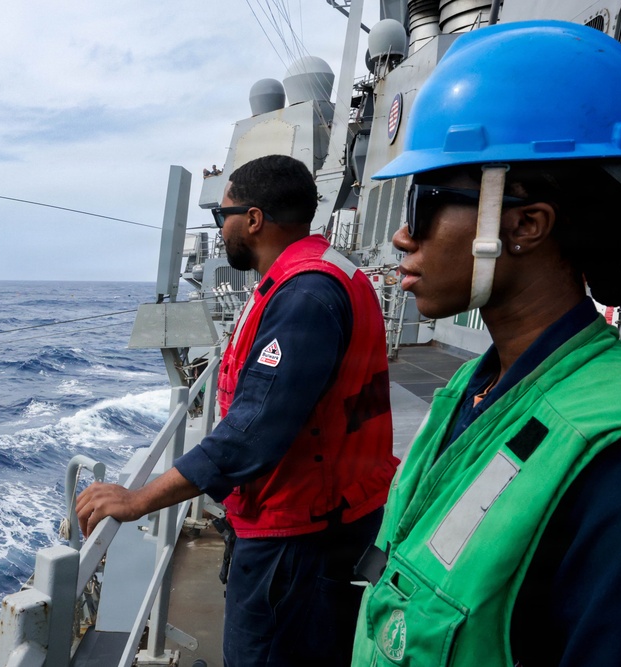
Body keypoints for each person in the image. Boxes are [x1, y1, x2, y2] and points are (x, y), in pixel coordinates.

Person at [351, 21, 621, 666]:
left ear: (525, 225)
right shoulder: (470, 391)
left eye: (424, 202)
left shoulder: (613, 463)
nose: (401, 237)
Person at [77, 154, 397, 666]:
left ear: (253, 219)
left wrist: (139, 500)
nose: (220, 228)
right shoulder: (321, 272)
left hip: (295, 540)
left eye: (221, 215)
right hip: (328, 517)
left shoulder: (305, 296)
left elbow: (251, 434)